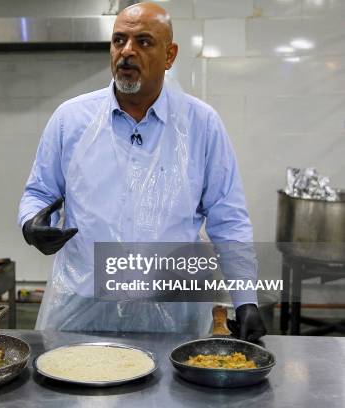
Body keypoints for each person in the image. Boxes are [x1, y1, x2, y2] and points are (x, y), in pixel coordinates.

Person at [18, 2, 266, 341]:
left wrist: (245, 300)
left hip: (173, 310)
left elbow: (229, 219)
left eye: (143, 42)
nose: (127, 52)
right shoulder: (71, 119)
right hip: (82, 304)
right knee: (72, 389)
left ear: (170, 55)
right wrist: (32, 224)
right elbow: (39, 193)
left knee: (172, 392)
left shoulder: (200, 124)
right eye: (119, 40)